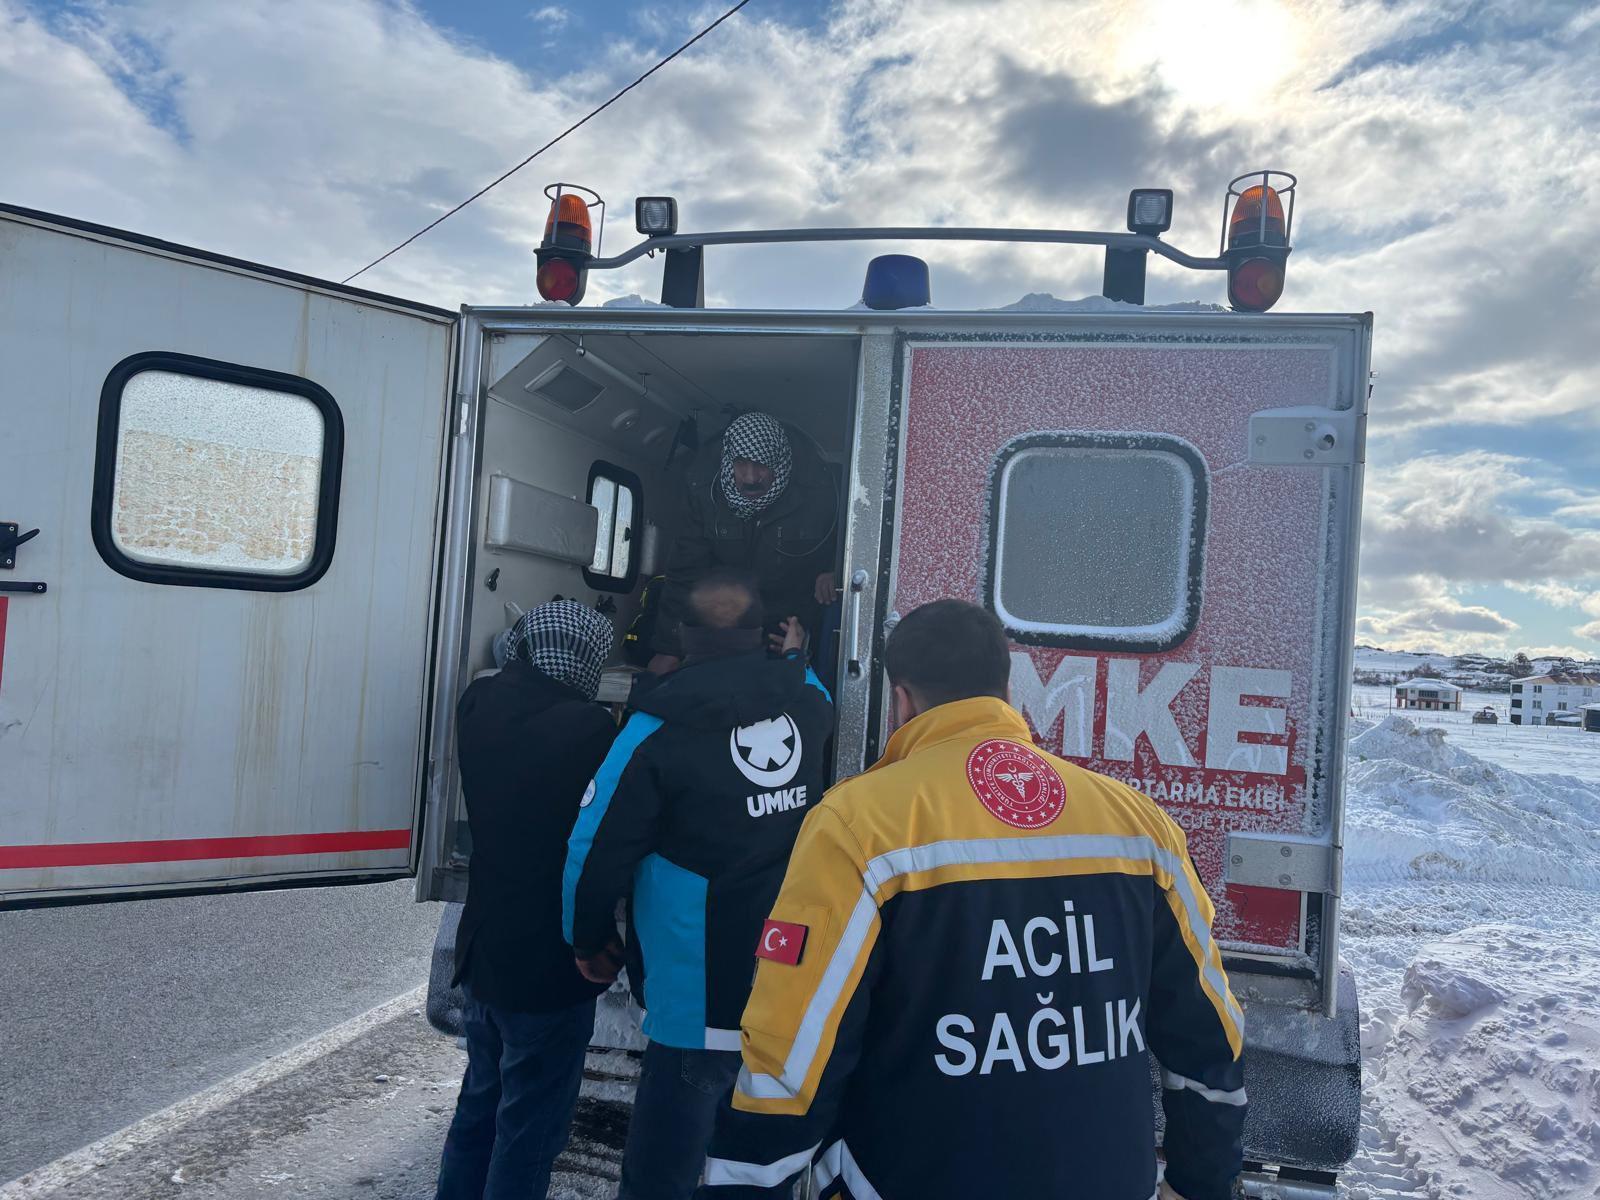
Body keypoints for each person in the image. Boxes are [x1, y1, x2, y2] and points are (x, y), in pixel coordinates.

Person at [694, 599, 1248, 1200]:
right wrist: (1201, 1180)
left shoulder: (858, 824)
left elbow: (798, 1046)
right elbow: (1208, 1032)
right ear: (1006, 690)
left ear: (901, 700)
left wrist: (743, 1183)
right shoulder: (1140, 824)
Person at [563, 570, 834, 1199]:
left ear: (683, 635)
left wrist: (587, 939)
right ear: (761, 633)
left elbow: (593, 850)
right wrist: (795, 652)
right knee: (757, 1174)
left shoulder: (652, 731)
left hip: (696, 1000)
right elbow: (811, 685)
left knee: (662, 1175)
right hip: (787, 983)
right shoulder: (808, 702)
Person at [434, 601, 619, 1200]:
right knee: (530, 1129)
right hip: (546, 962)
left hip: (483, 947)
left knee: (478, 1108)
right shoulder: (590, 729)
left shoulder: (478, 702)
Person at [649, 412, 839, 674]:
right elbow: (684, 571)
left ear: (778, 461)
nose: (750, 477)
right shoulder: (703, 491)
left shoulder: (820, 492)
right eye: (741, 463)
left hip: (787, 632)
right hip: (723, 631)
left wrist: (835, 571)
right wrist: (669, 649)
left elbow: (845, 547)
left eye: (761, 465)